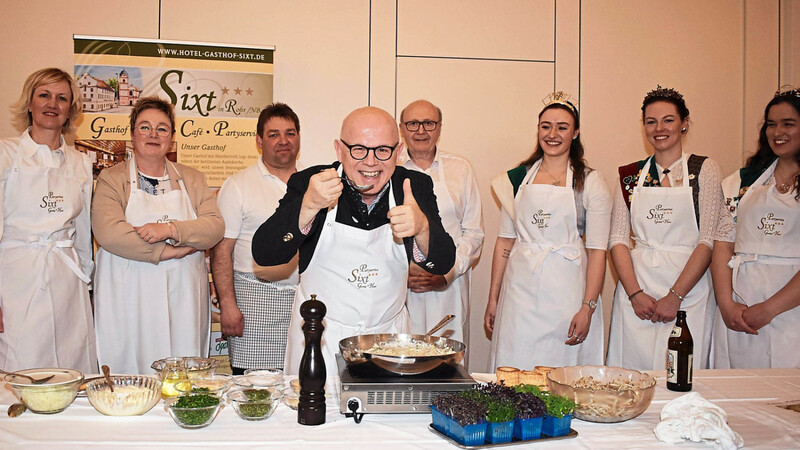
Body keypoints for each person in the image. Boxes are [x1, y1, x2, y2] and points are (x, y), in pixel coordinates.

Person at [252, 106, 456, 376]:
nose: (370, 162)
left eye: (383, 150)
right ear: (339, 150)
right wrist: (307, 206)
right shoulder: (311, 183)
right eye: (358, 149)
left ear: (398, 152)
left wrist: (422, 228)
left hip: (390, 340)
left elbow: (442, 263)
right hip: (321, 339)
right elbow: (265, 254)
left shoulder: (413, 186)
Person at [92, 96, 224, 374]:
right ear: (132, 134)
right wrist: (171, 251)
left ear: (172, 137)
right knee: (131, 368)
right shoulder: (111, 179)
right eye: (145, 127)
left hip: (183, 294)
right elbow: (109, 232)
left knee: (183, 365)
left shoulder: (194, 178)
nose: (153, 134)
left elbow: (213, 226)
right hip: (128, 293)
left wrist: (170, 229)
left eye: (162, 128)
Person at [485, 92, 611, 369]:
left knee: (562, 370)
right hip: (520, 292)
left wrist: (587, 307)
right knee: (516, 366)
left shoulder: (590, 182)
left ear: (575, 132)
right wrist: (494, 299)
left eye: (562, 127)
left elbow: (598, 251)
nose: (552, 134)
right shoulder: (517, 179)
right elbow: (505, 243)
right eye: (546, 126)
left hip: (567, 292)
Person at [606, 86, 724, 371]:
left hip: (689, 291)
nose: (659, 128)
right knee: (631, 376)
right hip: (638, 290)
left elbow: (708, 240)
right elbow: (618, 240)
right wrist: (635, 294)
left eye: (668, 120)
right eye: (651, 121)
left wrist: (675, 296)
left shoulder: (703, 169)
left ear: (684, 123)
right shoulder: (630, 175)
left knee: (682, 375)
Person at [0, 68, 97, 373]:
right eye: (44, 95)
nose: (52, 104)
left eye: (62, 98)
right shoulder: (6, 154)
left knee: (71, 360)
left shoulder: (81, 163)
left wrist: (86, 280)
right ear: (30, 102)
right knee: (22, 362)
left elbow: (82, 234)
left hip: (67, 278)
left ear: (71, 110)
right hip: (16, 277)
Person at [710, 87, 800, 368]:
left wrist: (770, 309)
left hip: (790, 304)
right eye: (771, 124)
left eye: (788, 124)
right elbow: (723, 242)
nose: (778, 132)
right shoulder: (742, 181)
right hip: (740, 303)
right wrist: (726, 303)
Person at [211, 103, 302, 374]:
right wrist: (228, 306)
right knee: (254, 392)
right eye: (273, 134)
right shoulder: (237, 185)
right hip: (254, 305)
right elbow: (221, 251)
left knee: (301, 384)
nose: (283, 141)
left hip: (303, 304)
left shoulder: (314, 184)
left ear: (299, 137)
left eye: (290, 133)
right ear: (259, 141)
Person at [398, 100, 483, 361]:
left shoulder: (461, 168)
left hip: (450, 286)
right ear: (402, 128)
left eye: (429, 123)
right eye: (413, 123)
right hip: (403, 287)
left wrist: (446, 273)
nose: (421, 130)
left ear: (439, 128)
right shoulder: (390, 170)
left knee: (448, 360)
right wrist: (405, 273)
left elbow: (474, 232)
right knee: (402, 356)